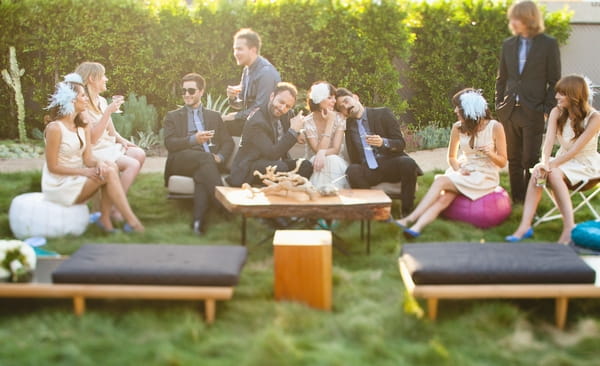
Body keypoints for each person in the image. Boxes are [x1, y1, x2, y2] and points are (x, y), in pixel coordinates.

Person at [394, 89, 507, 238]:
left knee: (441, 180)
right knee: (445, 198)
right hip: (464, 170)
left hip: (485, 175)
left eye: (458, 107)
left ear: (470, 109)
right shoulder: (458, 127)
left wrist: (490, 153)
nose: (455, 110)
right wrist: (459, 169)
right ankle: (416, 228)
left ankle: (410, 218)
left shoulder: (495, 127)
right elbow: (452, 157)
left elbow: (503, 162)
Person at [42, 74, 144, 233]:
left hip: (77, 178)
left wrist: (98, 163)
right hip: (60, 185)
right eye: (82, 96)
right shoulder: (55, 128)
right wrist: (85, 171)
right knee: (110, 170)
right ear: (71, 100)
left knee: (109, 166)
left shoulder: (82, 126)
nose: (86, 99)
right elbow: (53, 167)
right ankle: (130, 223)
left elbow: (88, 158)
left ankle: (108, 220)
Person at [506, 75, 600, 244]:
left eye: (561, 94)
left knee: (553, 173)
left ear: (574, 95)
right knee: (538, 172)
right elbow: (548, 142)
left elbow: (576, 150)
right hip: (563, 161)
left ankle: (569, 227)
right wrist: (544, 163)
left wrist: (551, 165)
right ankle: (525, 225)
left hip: (587, 165)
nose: (556, 97)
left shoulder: (595, 118)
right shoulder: (556, 112)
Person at [495, 0, 561, 203]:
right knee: (513, 159)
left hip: (534, 110)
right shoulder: (508, 44)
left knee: (530, 160)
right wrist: (499, 103)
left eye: (516, 18)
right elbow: (502, 78)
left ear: (529, 18)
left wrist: (546, 109)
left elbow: (555, 81)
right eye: (511, 18)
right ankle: (517, 200)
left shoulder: (548, 44)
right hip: (509, 111)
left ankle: (531, 200)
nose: (512, 22)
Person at [164, 73, 235, 235]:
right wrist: (193, 140)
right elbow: (170, 144)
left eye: (191, 90)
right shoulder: (172, 116)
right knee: (206, 159)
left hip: (207, 161)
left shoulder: (214, 116)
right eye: (184, 91)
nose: (186, 94)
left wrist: (221, 157)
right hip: (182, 160)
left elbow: (227, 142)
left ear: (201, 92)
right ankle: (224, 206)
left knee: (203, 173)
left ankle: (198, 223)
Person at [75, 61, 146, 222]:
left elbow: (112, 131)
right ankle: (116, 209)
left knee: (139, 153)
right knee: (132, 164)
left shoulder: (102, 100)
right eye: (103, 76)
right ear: (92, 78)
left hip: (108, 146)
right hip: (95, 150)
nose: (106, 79)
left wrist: (123, 141)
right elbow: (92, 138)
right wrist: (107, 112)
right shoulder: (82, 104)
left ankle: (114, 203)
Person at [335, 87, 421, 216]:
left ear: (355, 97)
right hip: (368, 169)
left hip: (390, 163)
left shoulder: (383, 113)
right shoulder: (347, 127)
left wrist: (383, 142)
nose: (346, 106)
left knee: (408, 163)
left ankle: (407, 212)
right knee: (352, 170)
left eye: (346, 101)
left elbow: (400, 143)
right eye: (342, 107)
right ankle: (376, 209)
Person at [226, 82, 312, 187]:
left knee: (305, 165)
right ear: (272, 96)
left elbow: (293, 131)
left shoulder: (286, 114)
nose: (282, 108)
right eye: (281, 102)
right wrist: (293, 132)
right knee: (280, 167)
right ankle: (282, 190)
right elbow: (272, 153)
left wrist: (299, 133)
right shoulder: (257, 121)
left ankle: (290, 195)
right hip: (250, 167)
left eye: (287, 106)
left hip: (276, 164)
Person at [222, 28, 281, 137]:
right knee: (217, 122)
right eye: (235, 49)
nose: (236, 53)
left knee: (222, 125)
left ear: (253, 50)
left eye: (240, 49)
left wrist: (234, 116)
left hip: (266, 128)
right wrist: (232, 97)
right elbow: (241, 105)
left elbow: (260, 110)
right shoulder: (247, 69)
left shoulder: (266, 73)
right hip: (251, 122)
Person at [303, 81, 349, 190]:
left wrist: (331, 120)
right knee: (320, 161)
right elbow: (317, 150)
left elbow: (336, 149)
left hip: (336, 161)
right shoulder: (308, 121)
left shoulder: (339, 117)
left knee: (332, 159)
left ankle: (333, 198)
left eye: (334, 97)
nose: (334, 100)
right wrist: (329, 123)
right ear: (319, 99)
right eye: (329, 97)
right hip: (315, 162)